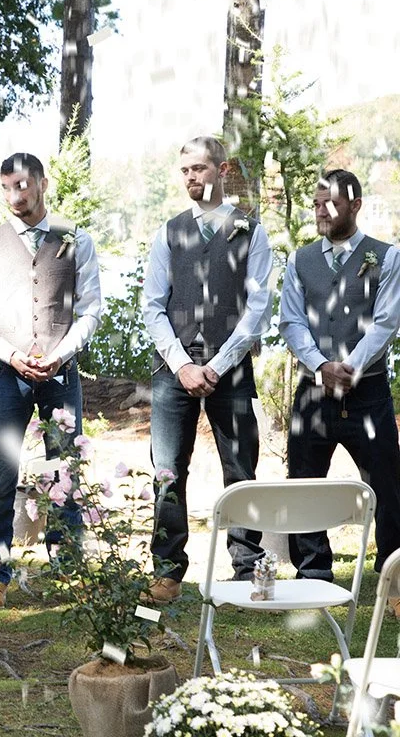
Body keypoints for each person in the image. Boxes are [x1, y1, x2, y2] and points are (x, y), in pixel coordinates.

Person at [0, 152, 102, 609]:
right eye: (6, 188)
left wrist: (60, 354)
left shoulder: (76, 239)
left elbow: (91, 310)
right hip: (7, 373)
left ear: (42, 183)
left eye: (21, 185)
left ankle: (69, 568)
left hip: (62, 373)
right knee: (1, 473)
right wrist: (10, 354)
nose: (14, 196)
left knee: (66, 469)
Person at [141, 136, 270, 603]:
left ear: (222, 169)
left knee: (240, 468)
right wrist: (181, 364)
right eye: (185, 170)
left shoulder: (251, 232)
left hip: (228, 368)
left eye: (199, 168)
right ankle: (167, 572)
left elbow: (258, 308)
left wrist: (216, 364)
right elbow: (152, 305)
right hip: (172, 370)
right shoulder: (169, 232)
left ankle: (248, 568)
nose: (191, 177)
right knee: (167, 470)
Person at [279, 169, 400, 618]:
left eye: (330, 202)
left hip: (368, 395)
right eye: (316, 203)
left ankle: (394, 581)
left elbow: (386, 322)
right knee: (304, 483)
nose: (320, 211)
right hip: (313, 394)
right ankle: (312, 576)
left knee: (387, 486)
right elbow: (291, 320)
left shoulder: (386, 257)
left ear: (355, 205)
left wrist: (350, 369)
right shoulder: (300, 260)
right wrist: (320, 365)